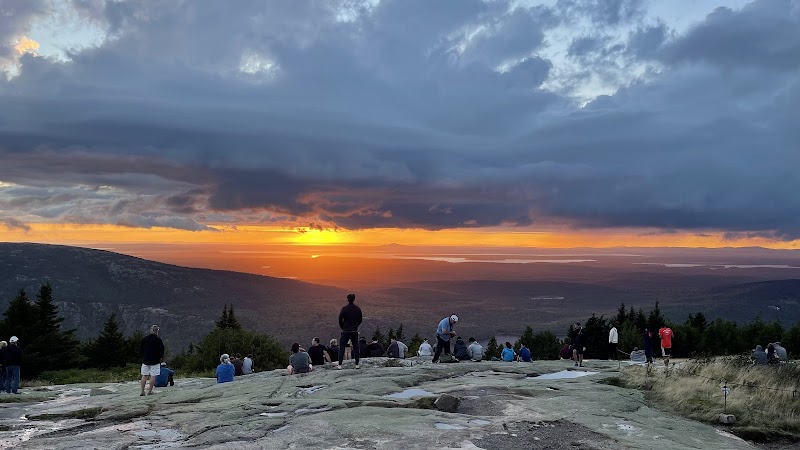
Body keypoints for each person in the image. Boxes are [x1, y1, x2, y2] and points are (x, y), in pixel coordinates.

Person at [337, 293, 363, 369]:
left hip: (345, 330)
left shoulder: (344, 308)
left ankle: (340, 364)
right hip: (354, 330)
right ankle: (357, 364)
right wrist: (356, 326)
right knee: (356, 347)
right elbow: (360, 319)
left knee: (342, 347)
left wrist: (343, 327)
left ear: (347, 299)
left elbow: (340, 319)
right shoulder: (357, 309)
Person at [140, 325, 164, 396]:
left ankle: (142, 391)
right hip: (155, 361)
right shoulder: (158, 340)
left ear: (151, 330)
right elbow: (161, 351)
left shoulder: (145, 339)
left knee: (144, 375)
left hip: (146, 360)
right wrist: (160, 357)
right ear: (157, 332)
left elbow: (141, 349)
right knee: (153, 376)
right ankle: (150, 391)